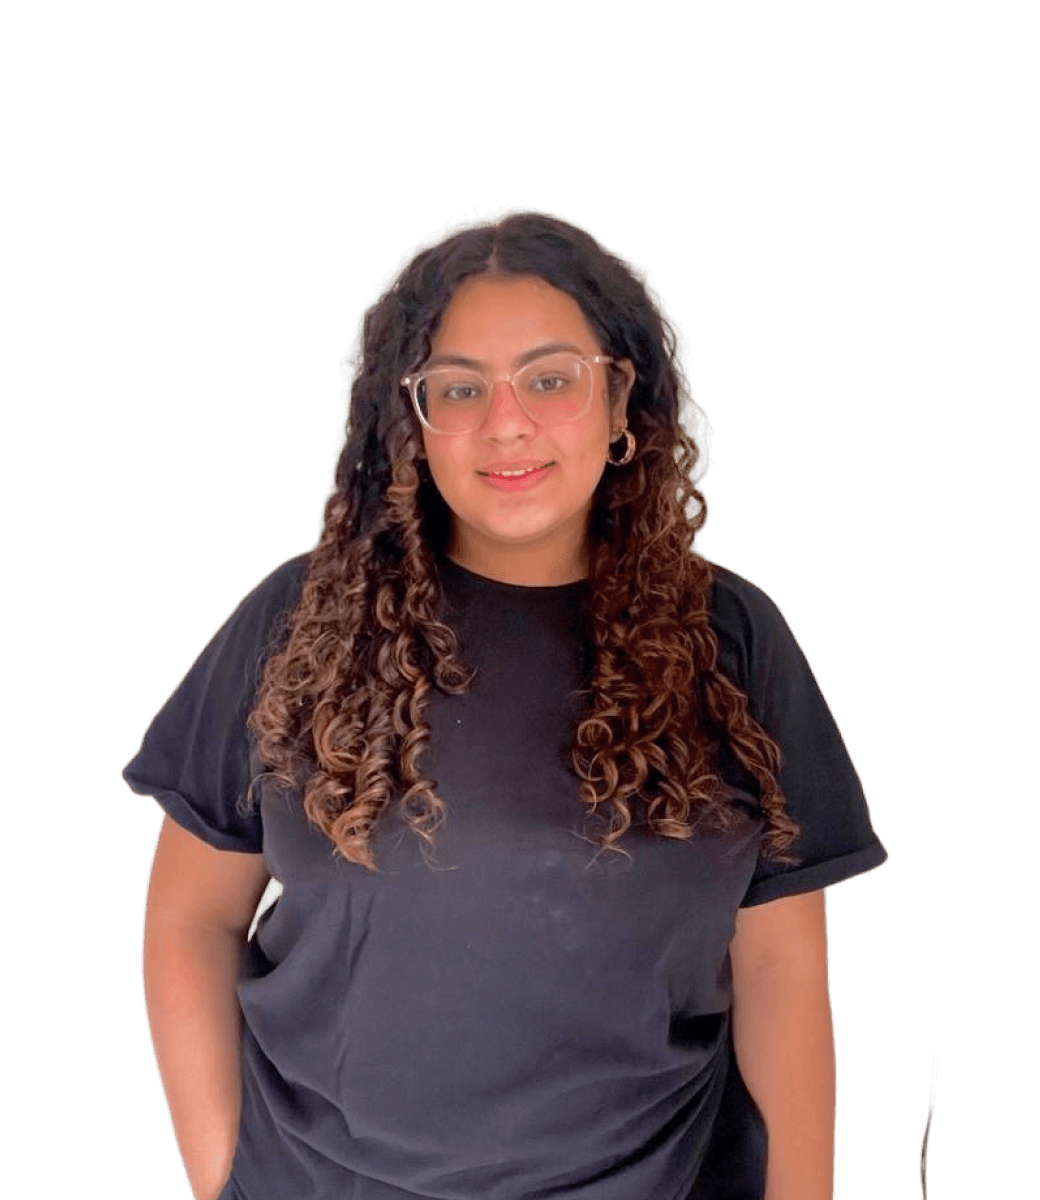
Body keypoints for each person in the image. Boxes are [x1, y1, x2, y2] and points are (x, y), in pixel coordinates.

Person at [123, 209, 887, 1200]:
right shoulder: (302, 622)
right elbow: (188, 914)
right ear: (413, 425)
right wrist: (223, 1178)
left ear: (619, 402)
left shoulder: (731, 641)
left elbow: (783, 970)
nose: (507, 421)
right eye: (458, 387)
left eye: (549, 376)